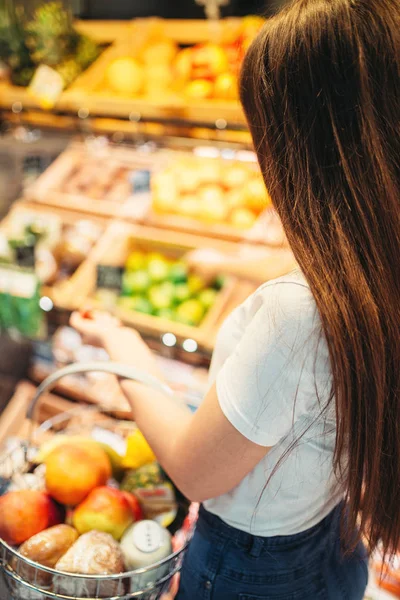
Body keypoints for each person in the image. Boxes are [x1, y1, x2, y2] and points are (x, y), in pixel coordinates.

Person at [71, 0, 400, 597]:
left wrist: (122, 352)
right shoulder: (380, 251)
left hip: (257, 568)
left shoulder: (293, 314)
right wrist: (233, 262)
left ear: (303, 147)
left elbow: (197, 472)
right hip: (331, 534)